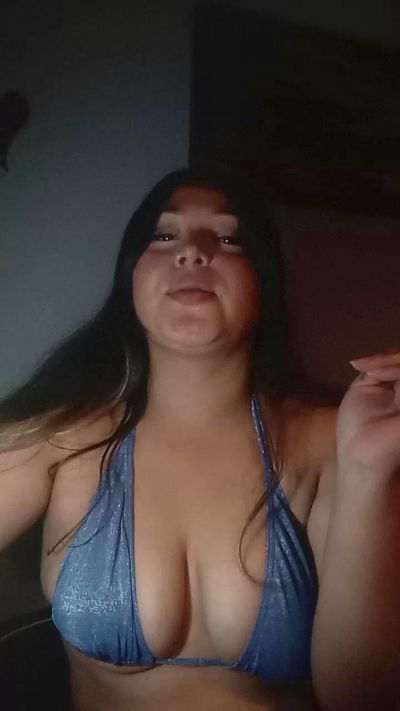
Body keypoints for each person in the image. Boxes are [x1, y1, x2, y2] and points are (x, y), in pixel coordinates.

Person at [0, 165, 399, 711]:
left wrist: (371, 470)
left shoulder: (332, 440)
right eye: (164, 236)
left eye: (229, 239)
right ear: (130, 276)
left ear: (263, 280)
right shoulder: (65, 434)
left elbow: (362, 696)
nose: (193, 251)